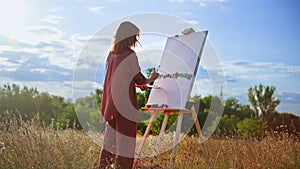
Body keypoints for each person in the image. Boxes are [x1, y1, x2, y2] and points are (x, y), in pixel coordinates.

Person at [99, 21, 159, 169]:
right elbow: (139, 78)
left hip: (111, 106)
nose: (135, 41)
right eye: (134, 37)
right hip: (125, 107)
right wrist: (152, 77)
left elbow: (122, 78)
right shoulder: (129, 55)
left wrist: (137, 84)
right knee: (125, 148)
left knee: (109, 144)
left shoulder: (111, 55)